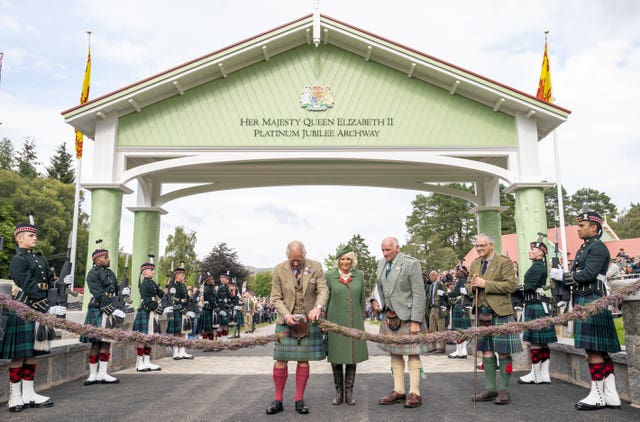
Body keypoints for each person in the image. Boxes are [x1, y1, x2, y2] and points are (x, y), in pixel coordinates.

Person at [550, 212, 622, 410]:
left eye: (582, 225)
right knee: (599, 351)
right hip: (586, 299)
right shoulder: (587, 247)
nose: (578, 228)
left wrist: (563, 276)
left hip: (592, 299)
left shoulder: (597, 247)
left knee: (593, 351)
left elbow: (588, 274)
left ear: (594, 227)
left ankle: (597, 395)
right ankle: (611, 395)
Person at [266, 240, 329, 415]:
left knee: (303, 360)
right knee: (280, 359)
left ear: (305, 254)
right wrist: (286, 315)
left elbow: (323, 290)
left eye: (299, 259)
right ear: (287, 256)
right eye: (292, 259)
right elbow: (276, 297)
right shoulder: (279, 269)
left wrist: (318, 307)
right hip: (285, 321)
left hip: (308, 321)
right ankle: (278, 400)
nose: (295, 263)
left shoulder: (315, 266)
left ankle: (299, 400)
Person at [1, 222, 56, 412]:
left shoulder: (40, 259)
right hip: (24, 307)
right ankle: (15, 397)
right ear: (19, 238)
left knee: (32, 353)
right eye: (30, 235)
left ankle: (29, 393)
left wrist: (55, 301)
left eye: (35, 235)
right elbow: (25, 281)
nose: (35, 238)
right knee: (19, 356)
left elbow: (49, 280)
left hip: (39, 307)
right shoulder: (18, 260)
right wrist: (40, 302)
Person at [370, 237, 426, 408]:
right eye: (383, 250)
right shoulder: (380, 264)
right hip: (389, 316)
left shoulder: (411, 264)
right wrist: (374, 301)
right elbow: (377, 287)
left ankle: (415, 393)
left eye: (388, 250)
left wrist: (416, 320)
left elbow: (419, 293)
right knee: (394, 353)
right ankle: (399, 391)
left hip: (408, 317)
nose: (385, 253)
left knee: (413, 353)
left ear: (397, 248)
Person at [466, 233, 521, 405]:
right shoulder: (475, 263)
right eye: (477, 246)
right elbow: (468, 285)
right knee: (486, 351)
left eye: (482, 245)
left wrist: (485, 284)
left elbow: (511, 286)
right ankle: (490, 389)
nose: (479, 248)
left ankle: (504, 390)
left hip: (501, 312)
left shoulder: (504, 262)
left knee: (503, 351)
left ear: (491, 245)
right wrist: (471, 286)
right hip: (482, 312)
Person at [325, 246, 369, 405]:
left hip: (354, 321)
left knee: (352, 357)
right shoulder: (329, 276)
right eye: (342, 259)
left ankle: (349, 393)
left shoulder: (359, 276)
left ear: (352, 261)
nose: (345, 262)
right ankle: (339, 393)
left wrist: (362, 316)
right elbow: (325, 298)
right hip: (334, 321)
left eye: (348, 259)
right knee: (336, 358)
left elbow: (362, 298)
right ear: (338, 261)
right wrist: (324, 321)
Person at [79, 247, 126, 385]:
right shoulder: (92, 274)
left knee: (106, 341)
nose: (108, 259)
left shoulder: (111, 273)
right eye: (105, 257)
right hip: (98, 308)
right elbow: (98, 293)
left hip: (110, 307)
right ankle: (93, 374)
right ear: (97, 260)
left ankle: (103, 373)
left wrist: (122, 297)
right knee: (95, 342)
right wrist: (111, 309)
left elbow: (116, 290)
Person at [518, 240, 557, 385]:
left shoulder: (538, 267)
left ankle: (535, 374)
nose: (530, 252)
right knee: (542, 342)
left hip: (535, 303)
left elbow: (530, 287)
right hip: (538, 304)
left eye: (533, 250)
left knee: (535, 341)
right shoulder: (539, 266)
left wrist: (519, 289)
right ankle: (544, 374)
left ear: (541, 253)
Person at [132, 257, 169, 371]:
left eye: (153, 270)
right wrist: (160, 309)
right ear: (144, 272)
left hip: (151, 312)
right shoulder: (144, 284)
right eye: (151, 270)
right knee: (142, 339)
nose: (153, 271)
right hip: (146, 311)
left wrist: (167, 301)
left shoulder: (152, 283)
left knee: (150, 338)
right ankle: (139, 364)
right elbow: (148, 300)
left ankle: (147, 362)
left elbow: (161, 293)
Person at [166, 262, 194, 360]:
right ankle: (175, 352)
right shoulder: (173, 285)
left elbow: (185, 298)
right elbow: (172, 299)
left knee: (183, 331)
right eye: (182, 275)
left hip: (184, 310)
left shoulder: (183, 285)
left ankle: (182, 351)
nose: (184, 276)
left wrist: (189, 303)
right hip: (177, 311)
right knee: (176, 333)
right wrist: (181, 308)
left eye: (184, 275)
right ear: (177, 275)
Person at [446, 264, 471, 359]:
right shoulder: (466, 281)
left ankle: (459, 351)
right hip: (464, 307)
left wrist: (446, 294)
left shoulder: (461, 281)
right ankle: (463, 351)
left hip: (459, 306)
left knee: (458, 330)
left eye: (456, 271)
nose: (455, 272)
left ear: (461, 272)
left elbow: (455, 293)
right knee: (463, 330)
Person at [426, 270, 447, 353]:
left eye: (432, 275)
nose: (430, 276)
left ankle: (442, 347)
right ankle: (433, 346)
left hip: (439, 308)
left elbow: (446, 295)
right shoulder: (431, 286)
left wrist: (443, 307)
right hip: (432, 308)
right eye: (430, 275)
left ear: (437, 275)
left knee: (441, 328)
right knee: (432, 328)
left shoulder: (440, 284)